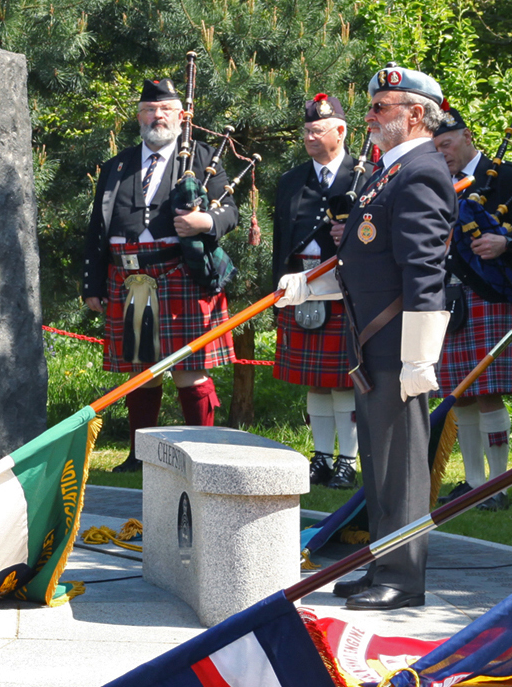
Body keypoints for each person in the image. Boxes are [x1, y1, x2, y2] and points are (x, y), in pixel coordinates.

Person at [278, 63, 454, 611]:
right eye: (373, 106)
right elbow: (364, 260)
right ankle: (383, 560)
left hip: (399, 344)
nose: (370, 116)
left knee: (400, 464)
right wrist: (310, 286)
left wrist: (420, 359)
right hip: (370, 339)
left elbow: (424, 272)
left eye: (382, 108)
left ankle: (403, 577)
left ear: (416, 115)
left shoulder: (421, 170)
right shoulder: (385, 172)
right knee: (378, 460)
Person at [80, 78, 238, 472]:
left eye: (165, 109)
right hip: (127, 276)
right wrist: (93, 283)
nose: (157, 116)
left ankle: (202, 453)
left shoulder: (202, 159)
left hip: (179, 273)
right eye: (149, 110)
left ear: (181, 116)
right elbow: (97, 227)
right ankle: (140, 456)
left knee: (189, 369)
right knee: (141, 368)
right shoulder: (119, 165)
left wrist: (204, 221)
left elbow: (230, 212)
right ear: (139, 116)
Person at [429, 106, 512, 511]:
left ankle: (498, 485)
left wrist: (505, 244)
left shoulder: (507, 177)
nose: (441, 152)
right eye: (434, 146)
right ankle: (474, 482)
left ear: (467, 137)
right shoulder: (435, 181)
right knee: (459, 395)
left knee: (489, 392)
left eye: (446, 143)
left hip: (490, 294)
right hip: (446, 295)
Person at [270, 93, 360, 489]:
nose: (309, 137)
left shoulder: (365, 174)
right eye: (306, 130)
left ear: (340, 132)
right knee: (317, 381)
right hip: (301, 285)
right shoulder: (291, 181)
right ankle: (321, 456)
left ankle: (348, 460)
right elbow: (280, 242)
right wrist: (279, 294)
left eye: (317, 130)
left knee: (344, 380)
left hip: (346, 288)